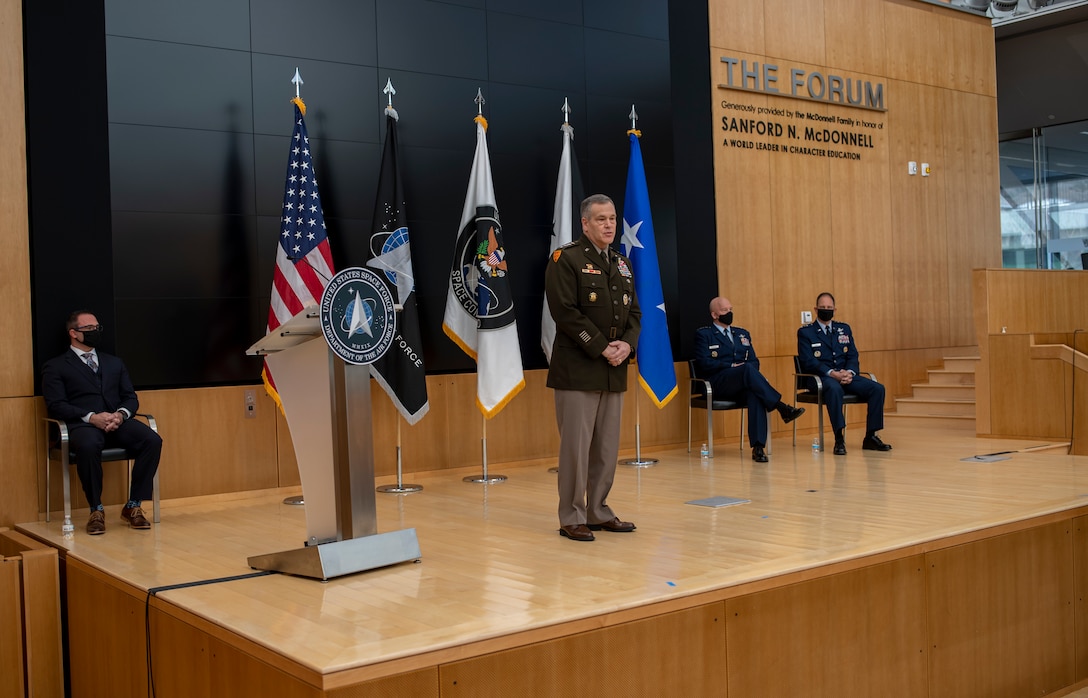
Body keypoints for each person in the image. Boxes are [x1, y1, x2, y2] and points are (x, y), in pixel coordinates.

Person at [545, 194, 641, 542]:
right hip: (579, 367)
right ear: (585, 223)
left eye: (613, 218)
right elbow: (565, 312)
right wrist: (603, 348)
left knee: (605, 448)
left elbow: (635, 314)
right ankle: (571, 515)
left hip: (614, 366)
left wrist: (627, 345)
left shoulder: (622, 264)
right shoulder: (565, 259)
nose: (609, 225)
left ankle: (597, 510)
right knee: (576, 448)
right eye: (601, 219)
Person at [41, 310, 163, 535]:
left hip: (116, 421)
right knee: (88, 445)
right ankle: (96, 510)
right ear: (73, 333)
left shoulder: (114, 363)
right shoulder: (56, 366)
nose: (95, 332)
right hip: (82, 424)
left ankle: (134, 505)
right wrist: (91, 417)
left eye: (97, 328)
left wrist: (121, 414)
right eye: (89, 329)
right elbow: (56, 404)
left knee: (152, 439)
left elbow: (130, 397)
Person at [693, 297, 805, 462]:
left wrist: (741, 369)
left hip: (741, 383)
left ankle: (758, 447)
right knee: (745, 369)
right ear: (714, 314)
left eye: (730, 309)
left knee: (755, 392)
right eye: (725, 311)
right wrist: (732, 367)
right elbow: (704, 362)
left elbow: (754, 361)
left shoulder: (742, 334)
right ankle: (781, 407)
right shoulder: (704, 334)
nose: (729, 313)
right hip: (716, 383)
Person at [796, 292, 892, 455]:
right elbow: (808, 361)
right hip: (821, 378)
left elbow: (852, 355)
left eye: (829, 307)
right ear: (815, 309)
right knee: (834, 389)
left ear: (835, 309)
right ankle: (839, 439)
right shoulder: (806, 332)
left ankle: (870, 437)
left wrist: (849, 372)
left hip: (846, 376)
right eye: (823, 307)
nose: (826, 310)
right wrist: (833, 373)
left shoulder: (844, 329)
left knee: (877, 388)